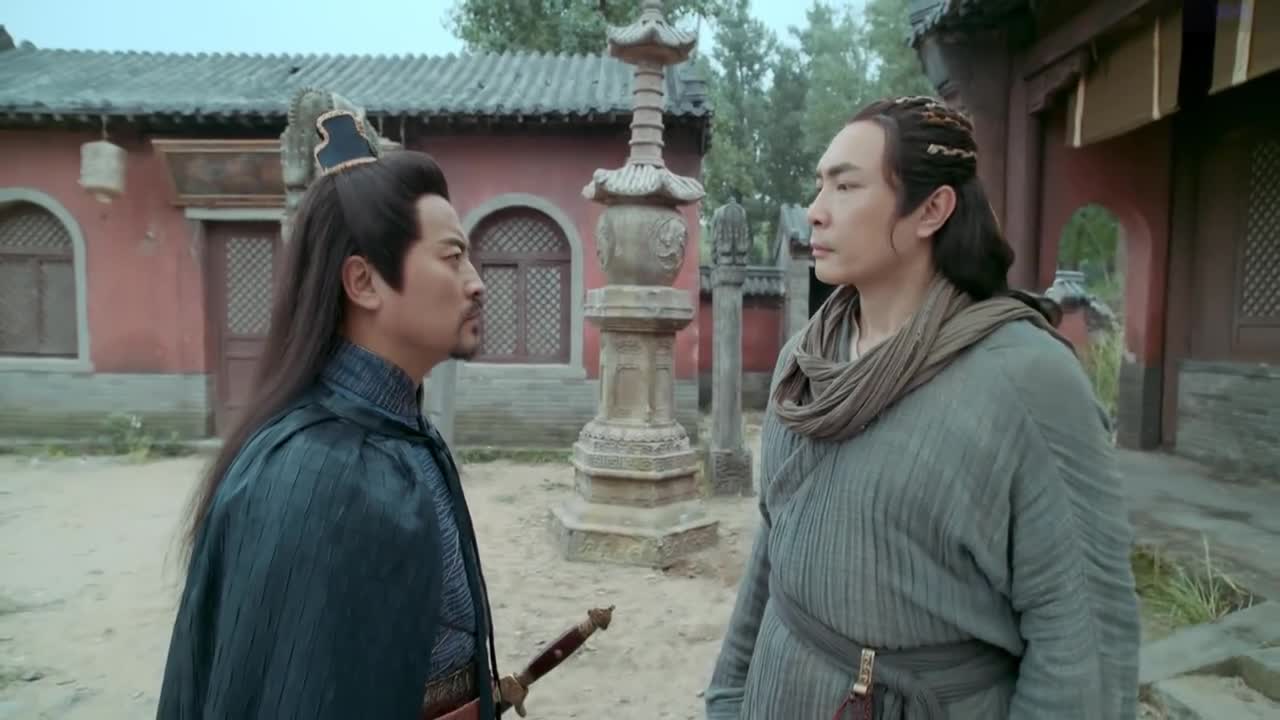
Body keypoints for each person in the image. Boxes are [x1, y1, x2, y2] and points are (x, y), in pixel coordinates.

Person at [704, 95, 1141, 719]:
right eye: (820, 185)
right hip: (776, 689)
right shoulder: (805, 358)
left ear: (932, 209)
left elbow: (1084, 642)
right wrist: (728, 696)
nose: (816, 211)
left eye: (846, 187)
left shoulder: (1029, 381)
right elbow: (774, 553)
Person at [157, 109, 501, 720]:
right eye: (451, 258)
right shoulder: (317, 477)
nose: (475, 283)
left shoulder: (401, 434)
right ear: (364, 282)